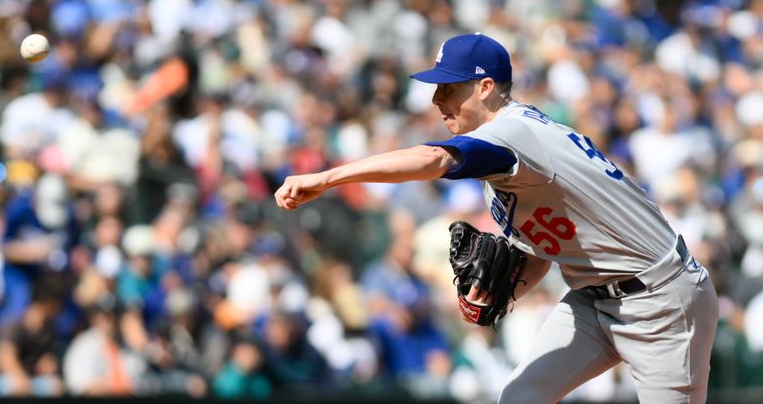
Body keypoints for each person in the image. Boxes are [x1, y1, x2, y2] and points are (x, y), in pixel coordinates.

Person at [275, 33, 719, 403]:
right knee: (518, 397)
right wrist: (498, 296)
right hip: (593, 298)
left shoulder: (512, 134)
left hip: (660, 299)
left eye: (449, 87)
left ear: (485, 87)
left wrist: (329, 178)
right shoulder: (503, 160)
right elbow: (541, 254)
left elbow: (432, 159)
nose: (436, 99)